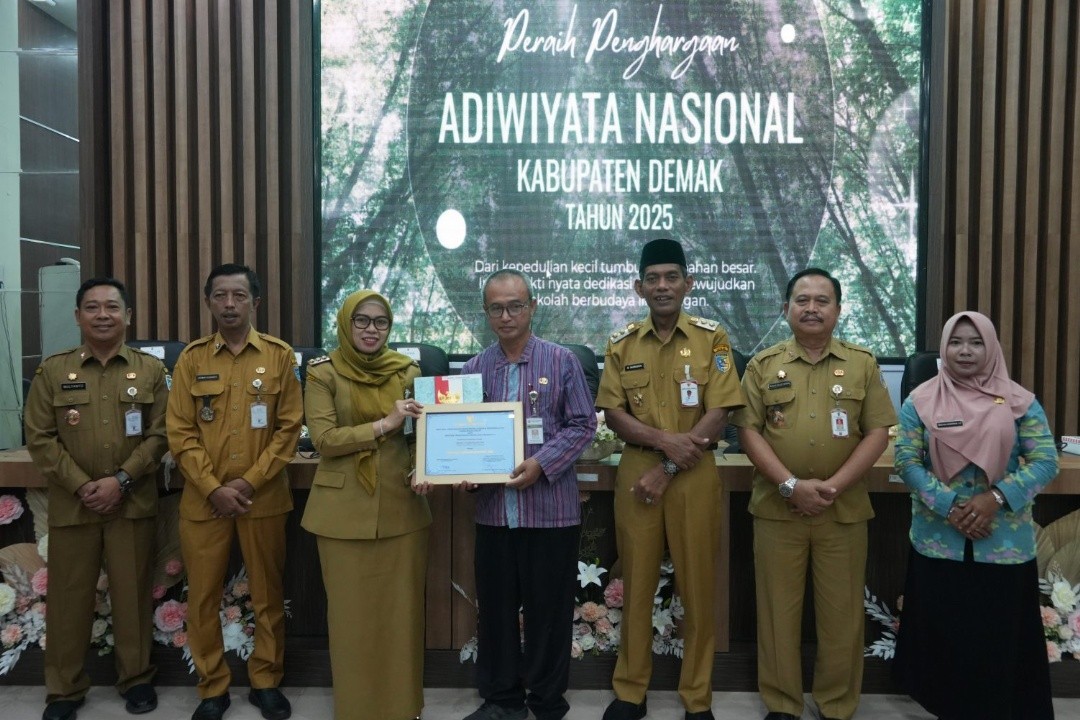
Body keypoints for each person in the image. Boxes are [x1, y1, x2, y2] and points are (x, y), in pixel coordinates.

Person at [731, 268, 897, 720]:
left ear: (838, 310)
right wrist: (790, 485)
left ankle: (837, 704)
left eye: (822, 300)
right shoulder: (763, 365)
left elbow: (878, 433)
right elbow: (748, 432)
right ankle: (782, 704)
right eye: (801, 300)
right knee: (777, 614)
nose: (811, 308)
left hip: (842, 509)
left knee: (842, 615)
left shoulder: (862, 363)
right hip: (777, 508)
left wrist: (833, 486)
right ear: (785, 309)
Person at [595, 239, 745, 720]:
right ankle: (630, 692)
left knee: (697, 587)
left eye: (671, 277)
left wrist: (671, 465)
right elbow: (613, 413)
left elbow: (720, 411)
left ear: (688, 283)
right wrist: (664, 444)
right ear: (638, 287)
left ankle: (697, 698)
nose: (662, 286)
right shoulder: (621, 344)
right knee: (636, 583)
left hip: (694, 471)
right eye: (653, 278)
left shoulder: (712, 339)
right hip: (638, 470)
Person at [893, 311, 1057, 720]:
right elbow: (907, 461)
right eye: (956, 342)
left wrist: (995, 498)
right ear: (943, 348)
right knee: (945, 644)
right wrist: (951, 506)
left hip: (1002, 544)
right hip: (939, 542)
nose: (965, 351)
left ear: (991, 347)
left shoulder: (1019, 401)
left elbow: (1044, 461)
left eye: (976, 342)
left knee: (998, 644)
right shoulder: (921, 400)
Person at [24, 278, 168, 720]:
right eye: (92, 307)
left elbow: (162, 433)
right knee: (68, 600)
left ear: (129, 316)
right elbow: (39, 437)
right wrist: (83, 485)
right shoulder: (53, 371)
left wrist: (121, 480)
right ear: (77, 316)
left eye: (111, 306)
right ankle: (64, 691)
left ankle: (136, 680)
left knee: (132, 595)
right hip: (74, 505)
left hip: (132, 502)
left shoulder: (150, 371)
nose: (102, 315)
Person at [166, 264, 303, 720]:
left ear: (254, 303)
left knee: (267, 593)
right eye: (220, 296)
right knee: (202, 596)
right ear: (208, 302)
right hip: (204, 500)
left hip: (263, 497)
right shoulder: (192, 359)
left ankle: (266, 681)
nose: (229, 304)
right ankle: (212, 687)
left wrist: (248, 482)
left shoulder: (280, 356)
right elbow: (180, 433)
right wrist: (213, 487)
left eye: (239, 296)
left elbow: (289, 429)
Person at [460, 269, 596, 720]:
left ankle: (546, 700)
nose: (507, 316)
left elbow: (583, 425)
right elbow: (461, 433)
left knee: (549, 614)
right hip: (495, 514)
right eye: (496, 308)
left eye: (515, 306)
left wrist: (542, 464)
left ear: (532, 307)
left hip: (550, 513)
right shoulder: (473, 369)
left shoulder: (561, 361)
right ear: (486, 313)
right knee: (496, 613)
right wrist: (464, 471)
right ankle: (502, 700)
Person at [300, 290, 430, 720]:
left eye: (380, 321)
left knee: (401, 619)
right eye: (361, 320)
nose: (371, 329)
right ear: (345, 323)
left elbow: (420, 435)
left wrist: (423, 466)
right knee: (351, 622)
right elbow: (324, 440)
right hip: (342, 513)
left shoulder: (407, 371)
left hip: (402, 508)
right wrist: (383, 424)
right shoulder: (323, 373)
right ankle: (355, 710)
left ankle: (403, 709)